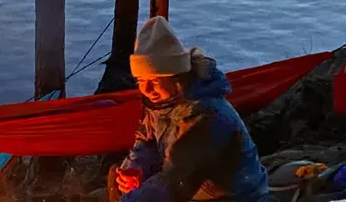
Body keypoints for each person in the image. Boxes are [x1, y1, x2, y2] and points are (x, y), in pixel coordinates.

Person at [111, 17, 269, 202]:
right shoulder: (161, 102)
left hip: (233, 197)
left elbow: (176, 182)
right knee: (115, 179)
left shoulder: (207, 117)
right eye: (140, 81)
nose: (146, 90)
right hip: (192, 189)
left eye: (154, 81)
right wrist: (138, 167)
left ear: (177, 79)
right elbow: (148, 139)